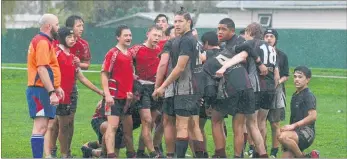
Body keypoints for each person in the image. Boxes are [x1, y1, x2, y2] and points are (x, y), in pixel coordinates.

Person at [152, 7, 206, 158]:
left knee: (181, 125)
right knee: (194, 125)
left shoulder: (187, 40)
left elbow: (180, 68)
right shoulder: (190, 40)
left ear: (188, 22)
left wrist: (162, 86)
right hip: (193, 88)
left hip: (186, 89)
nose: (176, 24)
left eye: (180, 21)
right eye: (175, 21)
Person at [48, 27, 103, 158]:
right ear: (61, 39)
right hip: (59, 95)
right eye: (69, 37)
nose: (73, 39)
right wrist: (52, 91)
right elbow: (46, 73)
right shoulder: (55, 53)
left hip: (70, 96)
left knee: (68, 124)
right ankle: (62, 154)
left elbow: (81, 77)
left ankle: (66, 153)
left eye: (73, 37)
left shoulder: (73, 58)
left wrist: (99, 91)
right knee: (62, 125)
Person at [26, 13, 64, 158]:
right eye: (57, 24)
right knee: (40, 127)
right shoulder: (42, 42)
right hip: (40, 90)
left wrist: (56, 86)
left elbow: (49, 67)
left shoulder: (44, 41)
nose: (58, 28)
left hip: (42, 89)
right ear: (49, 26)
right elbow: (42, 68)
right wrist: (51, 92)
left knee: (42, 127)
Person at [209, 18, 245, 158]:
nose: (219, 32)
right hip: (229, 88)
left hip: (236, 89)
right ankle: (222, 154)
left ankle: (230, 155)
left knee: (237, 126)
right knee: (217, 119)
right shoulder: (224, 45)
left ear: (232, 30)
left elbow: (245, 60)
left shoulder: (240, 43)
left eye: (223, 29)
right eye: (218, 29)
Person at [128, 25, 163, 158]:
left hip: (155, 89)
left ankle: (141, 152)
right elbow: (124, 60)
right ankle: (153, 153)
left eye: (159, 36)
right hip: (141, 88)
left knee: (151, 122)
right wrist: (131, 74)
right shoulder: (137, 49)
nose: (156, 38)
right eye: (154, 35)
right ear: (148, 34)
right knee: (147, 120)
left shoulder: (160, 50)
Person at [100, 24, 134, 158]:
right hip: (113, 97)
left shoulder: (130, 54)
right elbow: (104, 74)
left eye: (130, 35)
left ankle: (131, 154)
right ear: (118, 37)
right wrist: (107, 95)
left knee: (128, 129)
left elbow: (129, 75)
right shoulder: (112, 53)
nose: (128, 37)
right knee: (112, 127)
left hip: (126, 98)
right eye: (125, 35)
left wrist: (130, 92)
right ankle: (111, 155)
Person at [278, 66, 320, 158]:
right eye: (295, 76)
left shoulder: (308, 95)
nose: (297, 79)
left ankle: (301, 157)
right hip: (295, 133)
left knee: (283, 137)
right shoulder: (295, 95)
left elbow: (313, 116)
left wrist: (293, 126)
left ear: (308, 79)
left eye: (300, 77)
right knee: (280, 133)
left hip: (307, 132)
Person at [263, 28, 289, 158]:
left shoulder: (282, 55)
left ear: (276, 39)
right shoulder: (259, 54)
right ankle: (261, 149)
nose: (268, 38)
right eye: (266, 36)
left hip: (277, 92)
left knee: (274, 123)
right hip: (262, 91)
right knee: (260, 123)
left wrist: (278, 81)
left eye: (271, 36)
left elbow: (286, 75)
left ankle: (274, 151)